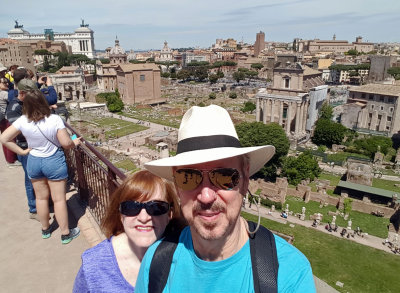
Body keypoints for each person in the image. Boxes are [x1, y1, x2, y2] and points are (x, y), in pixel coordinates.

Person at [137, 105, 316, 292]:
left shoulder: (290, 274)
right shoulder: (154, 263)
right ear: (177, 186)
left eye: (224, 176)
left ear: (245, 180)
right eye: (188, 177)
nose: (206, 196)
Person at [73, 170, 181, 292]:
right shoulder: (94, 266)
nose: (144, 218)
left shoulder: (186, 260)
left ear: (169, 214)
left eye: (156, 207)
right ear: (120, 214)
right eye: (131, 207)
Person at [0, 88, 81, 243]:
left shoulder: (23, 120)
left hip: (34, 161)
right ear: (44, 102)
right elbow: (65, 143)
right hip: (54, 161)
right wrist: (74, 142)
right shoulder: (54, 119)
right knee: (58, 200)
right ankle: (65, 233)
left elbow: (4, 138)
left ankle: (45, 230)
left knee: (41, 198)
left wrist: (22, 152)